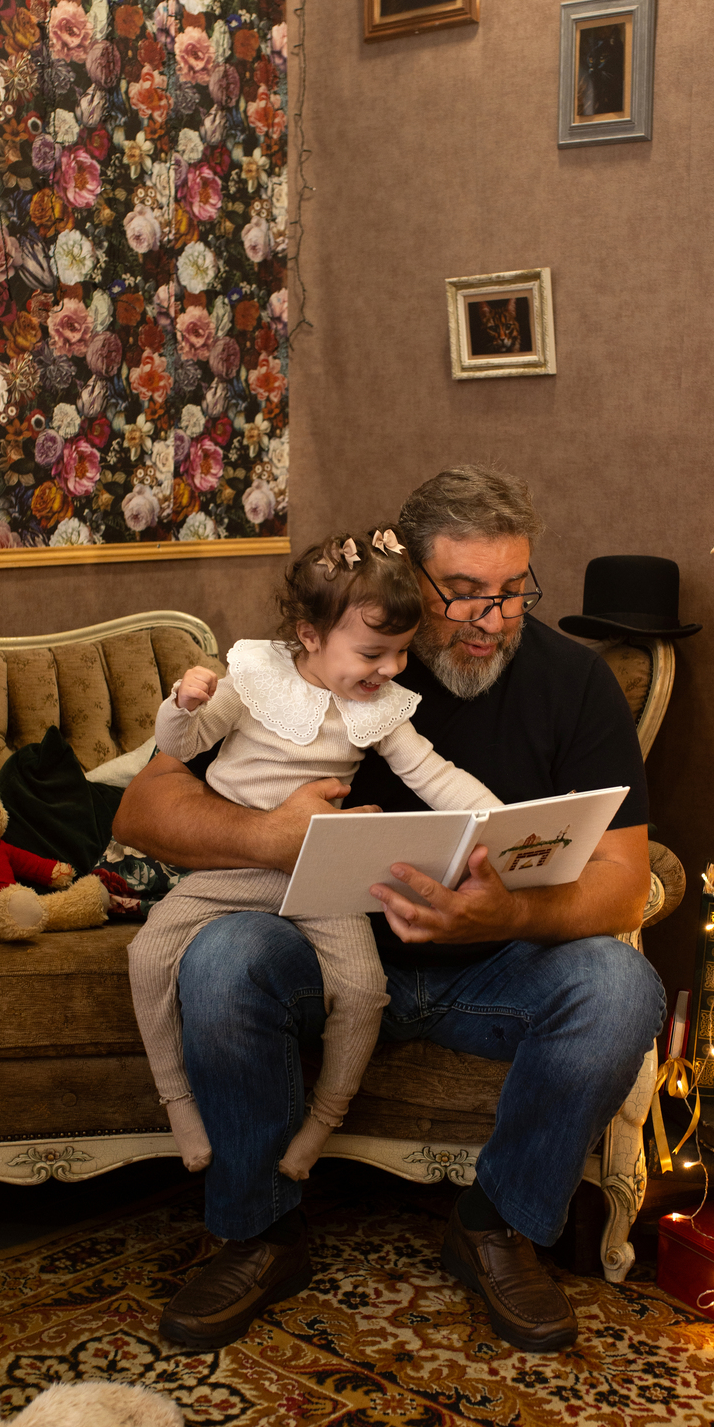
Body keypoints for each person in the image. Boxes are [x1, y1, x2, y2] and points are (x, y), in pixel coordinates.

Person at [113, 464, 665, 1355]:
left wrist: (506, 917)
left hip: (493, 969)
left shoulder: (575, 683)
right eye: (464, 592)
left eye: (513, 591)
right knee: (221, 961)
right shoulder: (325, 656)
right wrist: (269, 836)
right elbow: (141, 811)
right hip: (314, 945)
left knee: (621, 987)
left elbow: (625, 880)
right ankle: (257, 1231)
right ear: (407, 575)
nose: (494, 619)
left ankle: (496, 1226)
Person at [128, 526, 499, 1183]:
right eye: (373, 653)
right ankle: (177, 1101)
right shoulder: (253, 676)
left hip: (321, 876)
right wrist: (182, 706)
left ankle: (324, 1119)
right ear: (310, 636)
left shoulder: (379, 708)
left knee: (363, 990)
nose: (391, 669)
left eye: (401, 653)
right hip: (234, 871)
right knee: (147, 955)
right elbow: (183, 747)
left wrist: (498, 824)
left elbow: (434, 775)